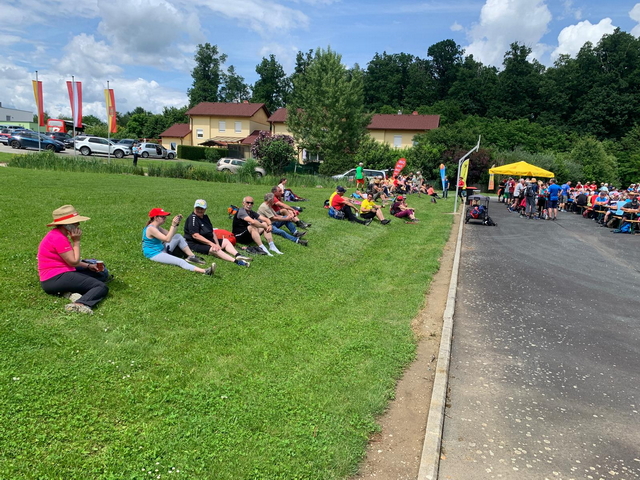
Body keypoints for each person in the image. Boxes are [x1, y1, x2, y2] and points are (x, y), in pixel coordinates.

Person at [37, 205, 110, 315]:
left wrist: (88, 266)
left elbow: (68, 261)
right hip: (54, 278)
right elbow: (73, 262)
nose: (78, 225)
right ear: (67, 225)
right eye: (76, 223)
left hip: (59, 275)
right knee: (100, 286)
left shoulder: (56, 234)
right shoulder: (58, 238)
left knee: (102, 275)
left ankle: (67, 292)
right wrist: (76, 241)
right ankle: (80, 304)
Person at [143, 208, 215, 275]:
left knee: (178, 236)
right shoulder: (151, 229)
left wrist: (176, 224)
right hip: (155, 253)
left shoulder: (157, 227)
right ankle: (205, 271)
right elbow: (167, 239)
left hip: (161, 249)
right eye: (163, 216)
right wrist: (173, 225)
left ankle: (191, 256)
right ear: (156, 218)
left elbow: (170, 235)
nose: (165, 218)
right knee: (180, 261)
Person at [184, 199, 252, 268]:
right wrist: (212, 244)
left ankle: (238, 255)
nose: (199, 210)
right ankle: (237, 262)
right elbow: (195, 235)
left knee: (226, 241)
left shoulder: (205, 217)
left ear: (205, 209)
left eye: (201, 208)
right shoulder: (192, 218)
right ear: (194, 207)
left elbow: (212, 232)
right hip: (195, 243)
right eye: (197, 208)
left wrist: (217, 243)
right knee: (215, 249)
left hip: (208, 240)